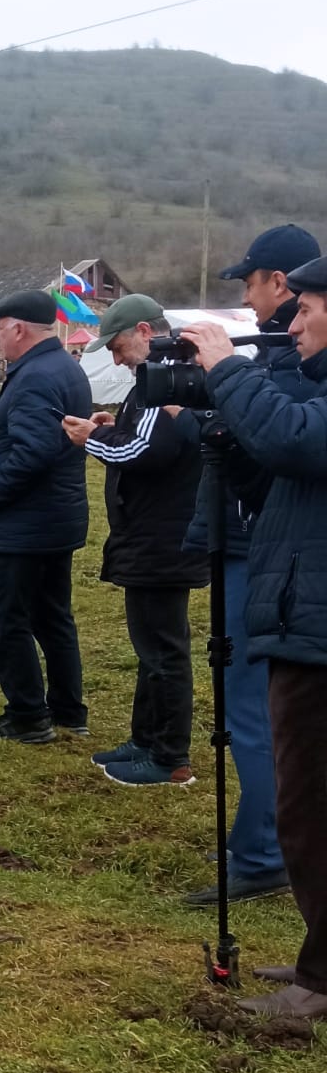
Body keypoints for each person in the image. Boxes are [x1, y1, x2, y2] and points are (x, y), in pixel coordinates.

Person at [186, 254, 327, 1018]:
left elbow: (298, 441)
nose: (291, 322)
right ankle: (317, 959)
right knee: (308, 807)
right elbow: (283, 479)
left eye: (306, 308)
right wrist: (235, 440)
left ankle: (321, 981)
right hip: (302, 621)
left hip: (318, 631)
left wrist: (227, 370)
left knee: (312, 807)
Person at [64, 296, 205, 785]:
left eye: (118, 346)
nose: (117, 357)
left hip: (161, 540)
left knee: (164, 652)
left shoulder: (166, 381)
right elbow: (144, 437)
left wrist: (91, 439)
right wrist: (113, 425)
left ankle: (170, 757)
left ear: (145, 331)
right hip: (153, 536)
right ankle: (145, 740)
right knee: (152, 650)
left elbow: (145, 451)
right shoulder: (159, 378)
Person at [0, 290, 91, 743]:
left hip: (27, 523)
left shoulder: (35, 377)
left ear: (18, 328)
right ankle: (67, 709)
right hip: (57, 516)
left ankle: (27, 714)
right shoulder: (63, 367)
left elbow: (34, 451)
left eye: (0, 329)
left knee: (6, 618)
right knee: (51, 615)